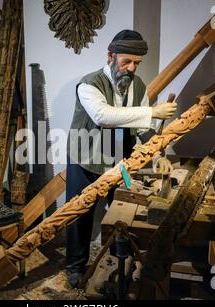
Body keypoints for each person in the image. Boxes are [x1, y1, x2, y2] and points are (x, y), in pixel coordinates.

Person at [65, 29, 178, 288]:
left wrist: (160, 152)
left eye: (136, 63)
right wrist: (153, 111)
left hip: (119, 162)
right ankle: (74, 266)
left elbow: (141, 128)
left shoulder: (137, 86)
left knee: (122, 210)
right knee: (79, 214)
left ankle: (119, 260)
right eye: (126, 61)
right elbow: (104, 116)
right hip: (85, 158)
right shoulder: (89, 84)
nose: (130, 68)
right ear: (110, 56)